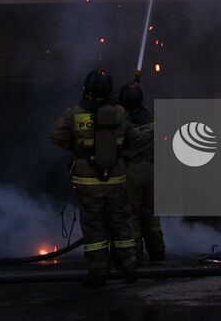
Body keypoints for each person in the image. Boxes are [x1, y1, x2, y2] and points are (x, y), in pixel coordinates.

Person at [50, 69, 138, 286]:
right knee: (121, 224)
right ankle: (129, 268)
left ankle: (98, 273)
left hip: (88, 183)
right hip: (116, 180)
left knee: (94, 226)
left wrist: (79, 151)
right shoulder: (120, 113)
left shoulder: (74, 114)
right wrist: (118, 155)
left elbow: (56, 136)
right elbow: (132, 140)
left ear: (85, 90)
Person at [117, 81, 165, 262]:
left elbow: (117, 142)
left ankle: (136, 254)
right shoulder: (152, 117)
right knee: (151, 213)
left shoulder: (125, 124)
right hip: (152, 170)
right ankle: (158, 251)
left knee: (132, 215)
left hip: (133, 171)